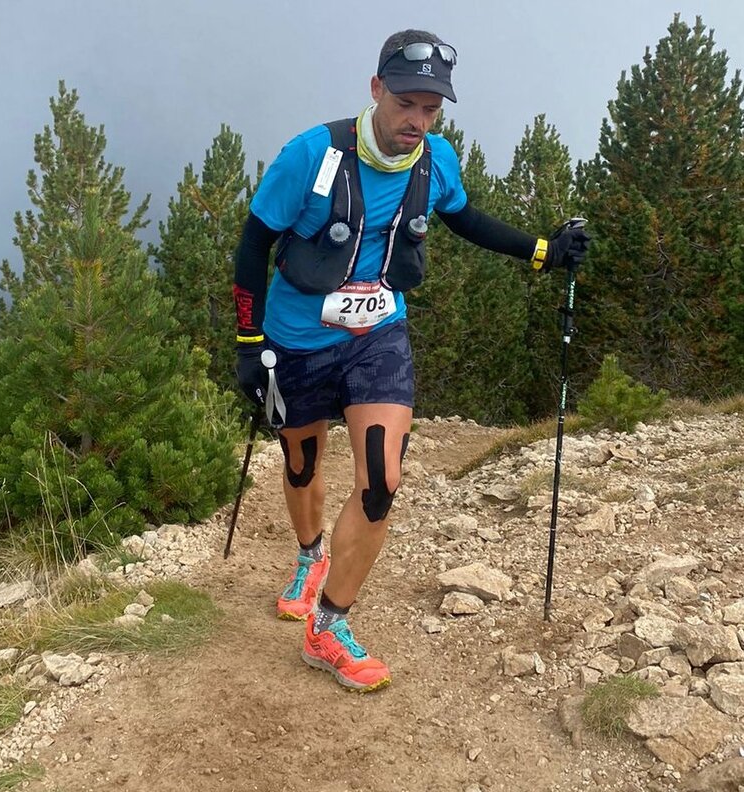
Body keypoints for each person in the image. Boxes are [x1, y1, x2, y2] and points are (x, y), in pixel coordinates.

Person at [232, 29, 589, 692]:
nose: (417, 121)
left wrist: (542, 251)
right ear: (376, 89)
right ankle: (310, 556)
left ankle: (328, 627)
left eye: (431, 109)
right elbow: (254, 244)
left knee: (380, 480)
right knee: (302, 464)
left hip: (377, 336)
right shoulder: (311, 155)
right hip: (296, 340)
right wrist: (249, 344)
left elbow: (466, 219)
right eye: (406, 104)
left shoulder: (435, 161)